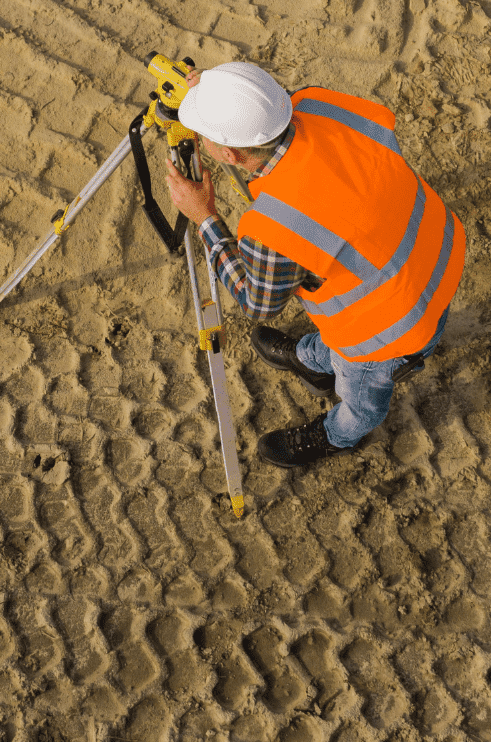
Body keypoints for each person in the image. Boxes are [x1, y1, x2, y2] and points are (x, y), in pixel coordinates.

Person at [161, 62, 467, 467]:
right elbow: (267, 106)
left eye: (205, 137)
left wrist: (205, 218)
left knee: (362, 394)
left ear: (231, 155)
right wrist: (220, 91)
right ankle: (316, 360)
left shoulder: (275, 229)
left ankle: (338, 436)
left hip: (392, 324)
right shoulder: (317, 103)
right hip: (434, 253)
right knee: (339, 344)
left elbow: (258, 303)